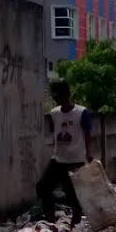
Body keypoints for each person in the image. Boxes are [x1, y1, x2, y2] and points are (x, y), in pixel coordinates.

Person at [37, 80, 95, 224]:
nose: (58, 100)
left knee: (70, 192)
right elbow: (53, 132)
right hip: (58, 159)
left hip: (75, 159)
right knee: (43, 186)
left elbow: (88, 133)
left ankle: (76, 219)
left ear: (68, 95)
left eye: (60, 96)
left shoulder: (81, 112)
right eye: (55, 97)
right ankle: (50, 219)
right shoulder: (54, 113)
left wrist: (88, 153)